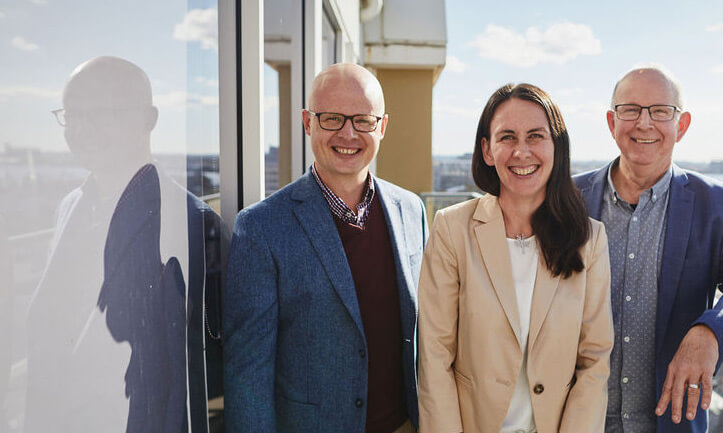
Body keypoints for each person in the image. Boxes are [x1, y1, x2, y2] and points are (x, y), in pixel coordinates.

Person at [572, 66, 723, 433]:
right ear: (611, 122)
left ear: (681, 125)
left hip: (670, 424)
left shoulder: (718, 205)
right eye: (630, 109)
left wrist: (711, 331)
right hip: (574, 421)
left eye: (660, 111)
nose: (644, 123)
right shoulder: (568, 198)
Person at [223, 63, 427, 433]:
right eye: (332, 118)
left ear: (382, 126)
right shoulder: (261, 228)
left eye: (363, 120)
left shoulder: (411, 210)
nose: (348, 133)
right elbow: (248, 374)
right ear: (308, 122)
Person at [26, 56, 224, 433]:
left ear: (149, 119)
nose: (82, 128)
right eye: (72, 114)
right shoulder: (69, 208)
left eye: (99, 113)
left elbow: (208, 372)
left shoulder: (192, 224)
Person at [418, 83, 614, 433]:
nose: (521, 151)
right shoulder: (451, 229)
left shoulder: (589, 239)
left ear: (557, 147)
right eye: (507, 137)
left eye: (536, 136)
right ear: (487, 150)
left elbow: (594, 362)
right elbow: (434, 356)